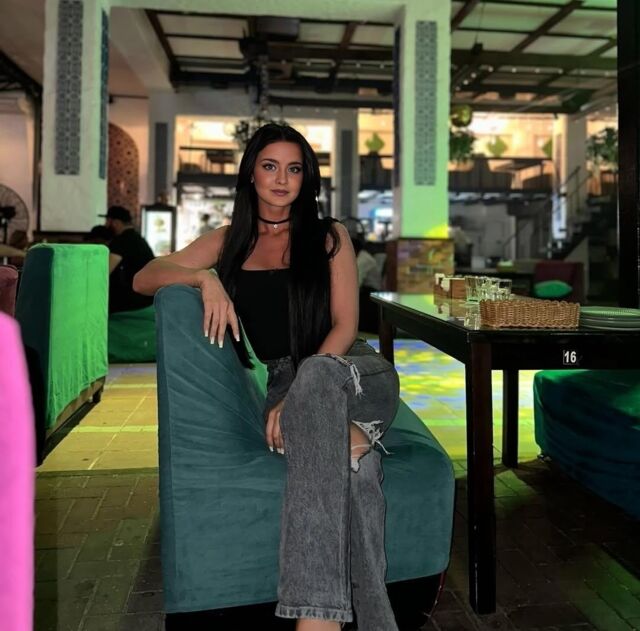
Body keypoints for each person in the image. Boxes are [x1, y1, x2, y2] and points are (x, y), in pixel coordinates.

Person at [133, 124, 401, 630]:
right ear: (251, 174)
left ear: (306, 179)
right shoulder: (228, 242)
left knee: (317, 378)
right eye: (270, 166)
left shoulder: (329, 236)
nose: (281, 179)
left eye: (294, 169)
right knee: (355, 470)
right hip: (286, 384)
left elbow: (346, 325)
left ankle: (315, 620)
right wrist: (203, 277)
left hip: (351, 371)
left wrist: (301, 391)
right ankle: (374, 620)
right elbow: (143, 277)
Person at [99, 206, 155, 314]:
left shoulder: (122, 241)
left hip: (131, 302)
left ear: (115, 223)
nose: (105, 225)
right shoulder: (137, 238)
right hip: (146, 299)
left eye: (107, 221)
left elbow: (104, 270)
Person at [351, 236, 382, 334]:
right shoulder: (360, 257)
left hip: (371, 295)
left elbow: (356, 283)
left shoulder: (363, 259)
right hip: (366, 292)